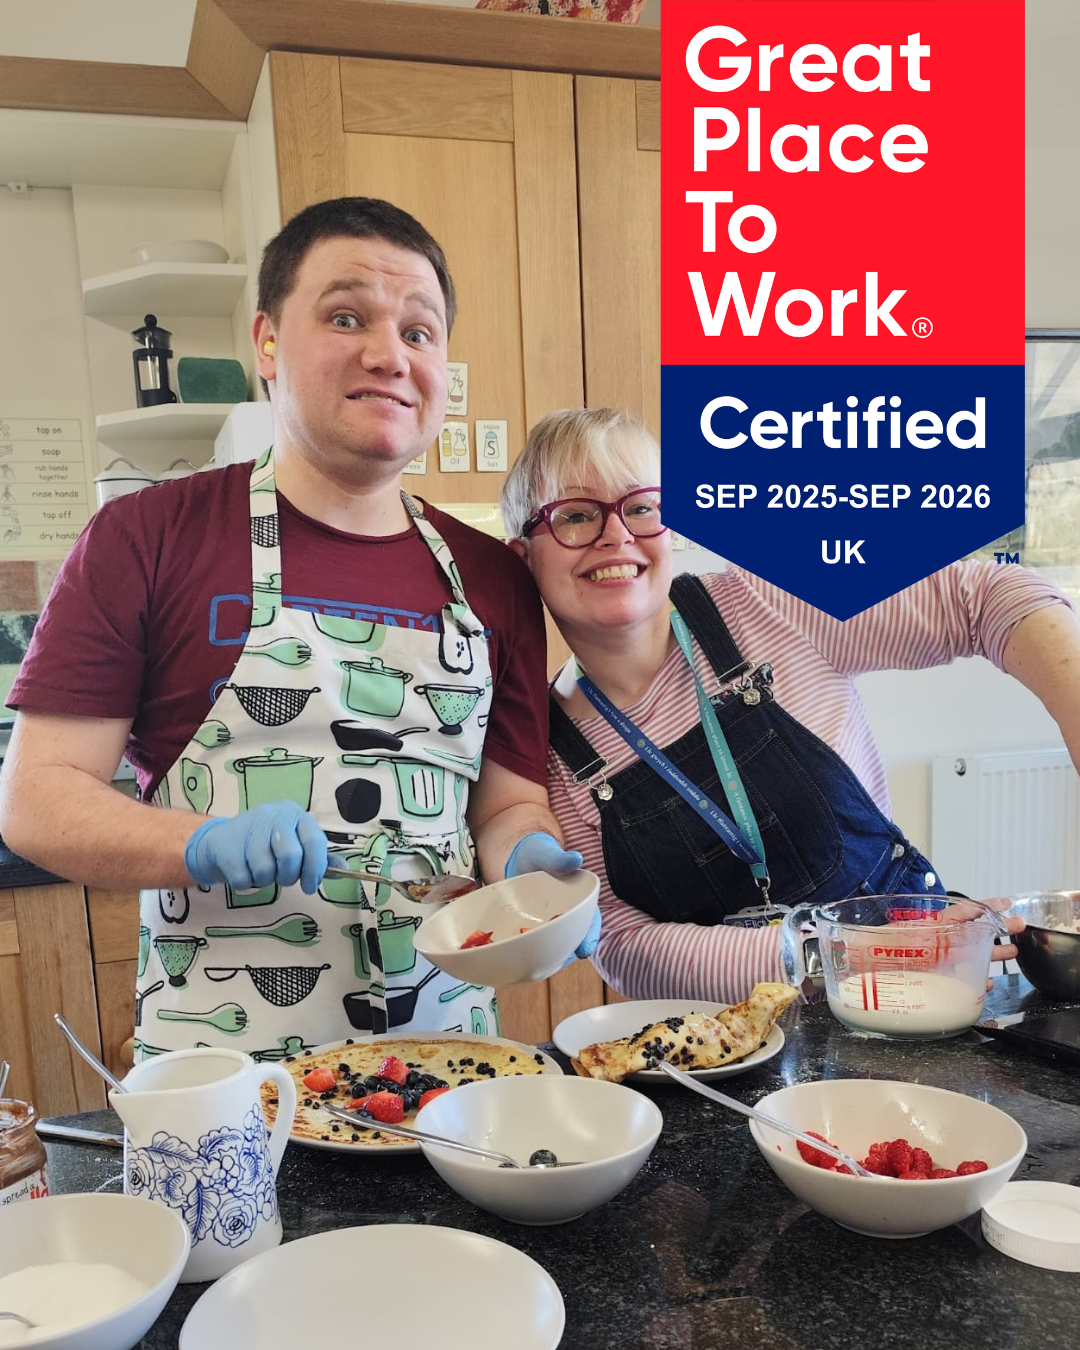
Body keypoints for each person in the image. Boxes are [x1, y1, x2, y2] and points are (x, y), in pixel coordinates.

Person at [0, 197, 595, 1056]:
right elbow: (36, 800)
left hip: (449, 1062)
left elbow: (505, 800)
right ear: (268, 342)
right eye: (346, 317)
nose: (389, 354)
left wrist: (529, 868)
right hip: (225, 1079)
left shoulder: (494, 577)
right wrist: (201, 842)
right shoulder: (148, 537)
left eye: (420, 333)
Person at [499, 407, 1080, 1004]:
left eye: (642, 507)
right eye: (575, 515)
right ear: (523, 558)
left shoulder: (764, 603)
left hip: (923, 996)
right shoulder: (550, 761)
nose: (617, 535)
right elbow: (622, 947)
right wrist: (821, 954)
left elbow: (987, 597)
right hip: (732, 1055)